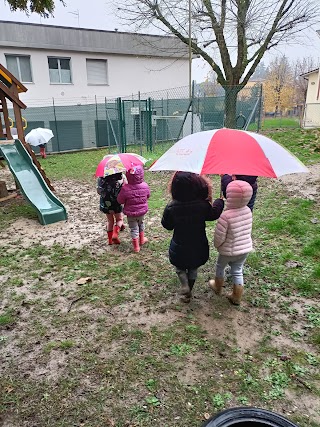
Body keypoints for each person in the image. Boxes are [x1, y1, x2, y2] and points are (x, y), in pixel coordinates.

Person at [161, 172, 224, 303]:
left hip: (179, 245)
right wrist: (219, 202)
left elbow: (167, 225)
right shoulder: (203, 205)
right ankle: (189, 288)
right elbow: (213, 215)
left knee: (179, 267)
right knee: (193, 268)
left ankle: (184, 285)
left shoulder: (171, 207)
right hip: (198, 245)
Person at [209, 180, 253, 305]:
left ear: (229, 195)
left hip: (227, 251)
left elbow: (219, 236)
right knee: (238, 270)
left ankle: (217, 287)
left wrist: (217, 245)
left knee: (220, 267)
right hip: (244, 249)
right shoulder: (248, 211)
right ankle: (237, 296)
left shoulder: (226, 216)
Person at [117, 164, 150, 253]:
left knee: (134, 228)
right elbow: (148, 196)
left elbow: (120, 201)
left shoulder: (125, 188)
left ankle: (136, 247)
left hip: (131, 214)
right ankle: (142, 239)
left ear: (128, 175)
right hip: (142, 212)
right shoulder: (145, 186)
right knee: (141, 224)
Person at [97, 172, 125, 245]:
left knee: (110, 221)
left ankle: (110, 240)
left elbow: (99, 192)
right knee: (119, 219)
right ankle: (115, 234)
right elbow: (125, 188)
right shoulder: (120, 179)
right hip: (116, 203)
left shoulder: (100, 179)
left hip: (105, 204)